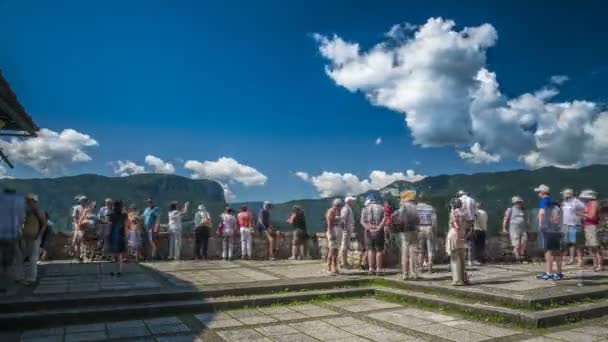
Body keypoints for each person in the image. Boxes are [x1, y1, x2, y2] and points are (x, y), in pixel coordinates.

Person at [534, 184, 564, 281]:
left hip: (547, 229)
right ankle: (559, 273)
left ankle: (549, 273)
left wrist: (540, 225)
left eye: (539, 192)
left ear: (543, 193)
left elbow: (542, 213)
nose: (538, 193)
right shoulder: (555, 202)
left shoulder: (544, 201)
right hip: (557, 229)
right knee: (557, 251)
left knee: (548, 251)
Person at [0, 189, 25, 291]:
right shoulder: (17, 201)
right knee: (17, 254)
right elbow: (21, 219)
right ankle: (17, 277)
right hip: (11, 234)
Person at [19, 193, 46, 285]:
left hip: (34, 237)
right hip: (26, 236)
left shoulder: (39, 211)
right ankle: (24, 276)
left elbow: (44, 224)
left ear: (34, 201)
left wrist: (39, 235)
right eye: (27, 201)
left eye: (30, 200)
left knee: (32, 258)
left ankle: (31, 278)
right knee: (23, 257)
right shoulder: (25, 211)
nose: (28, 202)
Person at [392, 190, 419, 280]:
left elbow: (396, 216)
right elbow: (419, 219)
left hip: (405, 232)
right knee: (413, 253)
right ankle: (414, 273)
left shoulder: (403, 206)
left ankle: (405, 273)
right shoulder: (415, 207)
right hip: (415, 230)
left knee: (405, 253)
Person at [361, 194, 386, 275]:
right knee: (379, 250)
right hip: (379, 231)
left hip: (368, 232)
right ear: (375, 200)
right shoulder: (381, 208)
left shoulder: (364, 209)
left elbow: (362, 221)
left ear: (368, 201)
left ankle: (371, 269)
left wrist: (368, 227)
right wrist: (379, 227)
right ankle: (379, 269)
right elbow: (384, 219)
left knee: (370, 250)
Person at [560, 189, 585, 266]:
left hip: (575, 224)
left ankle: (580, 260)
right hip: (565, 225)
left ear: (568, 194)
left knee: (577, 243)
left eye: (564, 194)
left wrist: (579, 215)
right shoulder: (564, 202)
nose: (563, 196)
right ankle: (571, 259)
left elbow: (584, 208)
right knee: (569, 243)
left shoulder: (576, 201)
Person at [447, 198, 468, 286]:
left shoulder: (454, 213)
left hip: (454, 235)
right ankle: (463, 278)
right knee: (462, 258)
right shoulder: (464, 213)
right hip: (462, 236)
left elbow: (456, 225)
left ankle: (457, 280)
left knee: (454, 258)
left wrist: (457, 230)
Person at [502, 196, 529, 263]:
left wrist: (528, 225)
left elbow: (526, 218)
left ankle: (522, 256)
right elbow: (506, 219)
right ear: (514, 203)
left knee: (524, 242)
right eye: (517, 202)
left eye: (520, 202)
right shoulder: (510, 209)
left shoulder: (523, 210)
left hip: (523, 229)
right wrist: (504, 228)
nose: (519, 204)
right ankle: (517, 258)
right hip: (514, 229)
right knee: (516, 244)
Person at [581, 189, 601, 272]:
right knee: (592, 247)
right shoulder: (589, 203)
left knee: (595, 246)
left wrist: (580, 214)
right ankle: (595, 264)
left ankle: (599, 265)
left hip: (592, 226)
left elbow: (591, 216)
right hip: (588, 226)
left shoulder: (593, 203)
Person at [416, 198, 437, 273]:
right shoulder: (431, 208)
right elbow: (434, 221)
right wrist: (434, 231)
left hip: (419, 228)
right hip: (429, 227)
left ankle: (420, 268)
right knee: (430, 249)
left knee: (420, 250)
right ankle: (430, 268)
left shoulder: (416, 208)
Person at [457, 190, 477, 267]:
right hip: (470, 222)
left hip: (462, 222)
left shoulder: (459, 200)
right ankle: (470, 260)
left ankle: (462, 260)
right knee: (470, 241)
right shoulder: (472, 200)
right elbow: (475, 213)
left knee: (461, 241)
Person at [108, 200, 127, 276]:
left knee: (114, 254)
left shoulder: (111, 215)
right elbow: (125, 225)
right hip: (121, 235)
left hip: (113, 234)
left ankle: (115, 270)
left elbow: (109, 225)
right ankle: (120, 271)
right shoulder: (124, 215)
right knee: (120, 254)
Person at [326, 198, 343, 275]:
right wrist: (332, 233)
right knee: (333, 250)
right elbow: (329, 224)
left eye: (340, 205)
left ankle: (333, 267)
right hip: (333, 230)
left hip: (338, 230)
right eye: (338, 205)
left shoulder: (338, 211)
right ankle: (331, 267)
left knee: (335, 250)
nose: (339, 207)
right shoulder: (331, 211)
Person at [77, 197, 97, 262]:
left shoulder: (95, 214)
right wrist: (79, 226)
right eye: (93, 205)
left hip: (93, 230)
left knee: (93, 243)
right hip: (87, 230)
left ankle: (91, 257)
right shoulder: (87, 210)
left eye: (95, 206)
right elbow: (82, 218)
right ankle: (84, 256)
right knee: (85, 243)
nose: (94, 206)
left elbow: (98, 221)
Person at [339, 196, 356, 268]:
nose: (353, 202)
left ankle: (343, 262)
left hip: (347, 230)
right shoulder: (346, 209)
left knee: (345, 246)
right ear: (349, 201)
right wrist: (345, 230)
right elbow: (342, 219)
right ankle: (343, 262)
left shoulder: (348, 208)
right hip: (346, 231)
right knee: (344, 246)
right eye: (352, 201)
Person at [71, 196, 85, 262]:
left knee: (83, 241)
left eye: (85, 200)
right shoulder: (77, 208)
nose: (84, 201)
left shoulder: (87, 208)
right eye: (83, 200)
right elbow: (74, 217)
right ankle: (77, 255)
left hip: (85, 225)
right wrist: (78, 224)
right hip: (78, 226)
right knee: (77, 240)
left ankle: (82, 256)